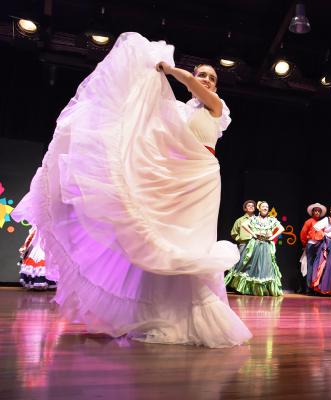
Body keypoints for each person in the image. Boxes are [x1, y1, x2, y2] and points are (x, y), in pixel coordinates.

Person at [10, 32, 251, 348]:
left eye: (211, 77)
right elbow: (155, 119)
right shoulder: (180, 111)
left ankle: (197, 312)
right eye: (201, 75)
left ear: (215, 86)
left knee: (193, 244)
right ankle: (163, 311)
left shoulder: (217, 108)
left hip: (202, 179)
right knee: (162, 241)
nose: (205, 80)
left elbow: (191, 88)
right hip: (175, 177)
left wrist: (172, 70)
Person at [225, 201, 284, 296]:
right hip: (255, 244)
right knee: (252, 266)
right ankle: (250, 288)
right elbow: (244, 225)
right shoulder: (254, 219)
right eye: (263, 207)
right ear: (259, 209)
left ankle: (264, 289)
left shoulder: (271, 220)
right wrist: (253, 234)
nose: (265, 208)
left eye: (267, 207)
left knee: (265, 266)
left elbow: (281, 228)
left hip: (266, 245)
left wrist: (272, 237)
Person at [17, 225, 57, 290]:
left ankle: (47, 283)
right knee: (40, 263)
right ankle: (39, 283)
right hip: (39, 247)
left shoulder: (50, 226)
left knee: (47, 263)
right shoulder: (37, 226)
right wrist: (25, 246)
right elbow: (31, 237)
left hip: (46, 246)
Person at [299, 203, 326, 293]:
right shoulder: (309, 221)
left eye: (319, 211)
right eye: (315, 210)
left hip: (320, 245)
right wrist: (304, 244)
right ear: (312, 212)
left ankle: (316, 287)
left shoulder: (323, 222)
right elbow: (303, 234)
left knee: (318, 266)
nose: (317, 212)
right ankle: (308, 288)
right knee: (310, 266)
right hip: (311, 244)